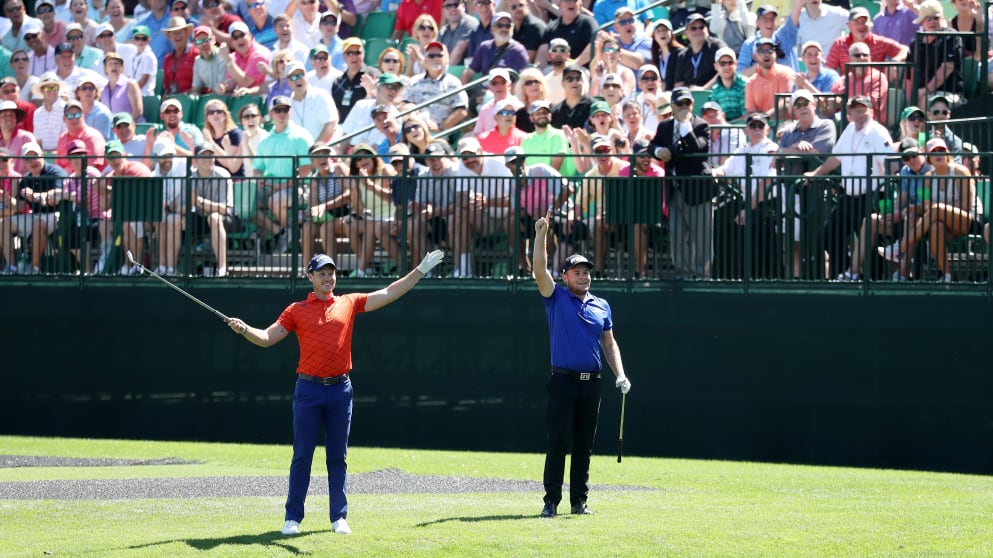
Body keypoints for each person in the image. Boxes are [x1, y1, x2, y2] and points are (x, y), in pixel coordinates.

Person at [225, 249, 445, 537]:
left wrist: (419, 270)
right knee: (302, 455)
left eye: (331, 272)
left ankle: (338, 517)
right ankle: (293, 518)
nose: (328, 277)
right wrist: (244, 330)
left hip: (341, 389)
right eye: (322, 273)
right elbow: (267, 338)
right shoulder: (296, 310)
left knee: (337, 456)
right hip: (308, 389)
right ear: (310, 277)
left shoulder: (349, 303)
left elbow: (389, 292)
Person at [531, 222, 631, 519]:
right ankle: (551, 501)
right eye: (577, 272)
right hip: (563, 381)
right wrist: (541, 236)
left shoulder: (602, 305)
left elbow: (609, 344)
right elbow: (539, 269)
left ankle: (579, 502)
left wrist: (621, 374)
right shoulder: (556, 297)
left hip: (593, 384)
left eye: (586, 272)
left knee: (584, 445)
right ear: (565, 276)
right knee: (559, 442)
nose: (583, 276)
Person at [804, 95, 894, 279]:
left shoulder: (878, 132)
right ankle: (844, 275)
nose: (859, 115)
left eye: (863, 110)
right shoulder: (849, 130)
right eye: (855, 110)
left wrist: (889, 198)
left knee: (871, 244)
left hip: (871, 199)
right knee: (830, 236)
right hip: (849, 197)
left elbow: (889, 166)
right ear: (849, 113)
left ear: (872, 111)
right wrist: (816, 174)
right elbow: (836, 157)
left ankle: (874, 282)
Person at [878, 137, 981, 282]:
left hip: (968, 221)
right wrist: (913, 209)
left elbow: (965, 206)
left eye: (941, 150)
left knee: (936, 209)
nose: (938, 154)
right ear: (928, 158)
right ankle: (947, 275)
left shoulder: (961, 172)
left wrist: (938, 207)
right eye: (934, 152)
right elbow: (926, 207)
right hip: (941, 222)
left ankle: (900, 247)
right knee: (934, 227)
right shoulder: (928, 178)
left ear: (947, 153)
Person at [837, 138, 932, 282]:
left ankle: (901, 273)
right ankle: (852, 273)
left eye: (914, 155)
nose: (912, 160)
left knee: (911, 217)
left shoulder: (931, 171)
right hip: (908, 217)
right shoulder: (906, 171)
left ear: (921, 152)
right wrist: (891, 213)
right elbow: (902, 200)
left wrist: (902, 212)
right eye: (906, 158)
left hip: (927, 220)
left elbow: (927, 205)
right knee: (871, 220)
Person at [650, 86, 714, 279]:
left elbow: (698, 150)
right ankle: (683, 273)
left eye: (688, 103)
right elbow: (652, 144)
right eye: (680, 104)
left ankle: (702, 275)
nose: (684, 107)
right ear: (672, 106)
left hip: (697, 191)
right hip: (674, 190)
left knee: (701, 236)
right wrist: (658, 152)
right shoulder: (665, 126)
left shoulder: (701, 125)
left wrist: (686, 126)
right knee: (677, 235)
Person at [159, 142, 238, 277]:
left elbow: (225, 209)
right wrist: (184, 210)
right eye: (203, 156)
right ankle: (171, 269)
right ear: (195, 160)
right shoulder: (189, 177)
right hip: (199, 218)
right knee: (173, 219)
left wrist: (199, 202)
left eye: (210, 155)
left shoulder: (223, 175)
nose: (207, 159)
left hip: (225, 220)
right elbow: (181, 207)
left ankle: (222, 269)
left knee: (214, 217)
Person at [301, 142, 351, 268]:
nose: (322, 158)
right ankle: (308, 270)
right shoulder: (314, 179)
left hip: (347, 216)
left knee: (326, 228)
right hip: (328, 217)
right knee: (307, 227)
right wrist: (307, 213)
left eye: (325, 154)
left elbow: (348, 195)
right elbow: (312, 205)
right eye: (317, 156)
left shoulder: (339, 168)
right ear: (312, 162)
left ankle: (331, 269)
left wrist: (325, 206)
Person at [404, 42, 469, 134]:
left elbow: (462, 110)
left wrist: (441, 127)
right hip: (415, 130)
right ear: (425, 61)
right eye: (431, 56)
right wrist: (415, 116)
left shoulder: (453, 82)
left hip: (439, 133)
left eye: (439, 55)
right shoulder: (414, 81)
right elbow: (404, 105)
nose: (436, 59)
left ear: (446, 59)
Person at [99, 52, 143, 125]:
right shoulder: (103, 90)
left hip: (131, 127)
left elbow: (138, 112)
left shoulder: (130, 84)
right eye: (110, 64)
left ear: (122, 67)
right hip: (112, 129)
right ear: (105, 69)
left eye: (116, 63)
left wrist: (124, 126)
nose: (113, 66)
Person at [161, 16, 197, 95]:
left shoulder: (196, 54)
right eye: (174, 32)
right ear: (169, 36)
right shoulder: (168, 59)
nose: (177, 36)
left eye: (180, 32)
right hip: (173, 102)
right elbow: (166, 86)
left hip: (192, 101)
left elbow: (202, 85)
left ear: (186, 33)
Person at [438, 0, 477, 65]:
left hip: (465, 72)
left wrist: (443, 72)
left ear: (463, 6)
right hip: (448, 70)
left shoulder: (469, 22)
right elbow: (438, 54)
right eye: (448, 6)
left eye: (456, 5)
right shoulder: (443, 30)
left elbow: (458, 54)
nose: (452, 9)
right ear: (443, 11)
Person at [192, 26, 228, 94]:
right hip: (213, 98)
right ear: (195, 45)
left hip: (228, 95)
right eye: (199, 41)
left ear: (213, 40)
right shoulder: (198, 61)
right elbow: (196, 88)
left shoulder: (223, 55)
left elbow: (224, 85)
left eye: (207, 40)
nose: (204, 44)